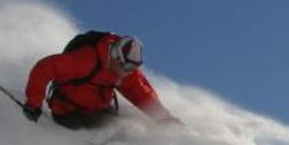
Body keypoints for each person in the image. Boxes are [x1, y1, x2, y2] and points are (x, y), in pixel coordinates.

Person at [22, 31, 179, 130]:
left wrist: (165, 119)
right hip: (67, 109)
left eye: (132, 68)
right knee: (107, 130)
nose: (127, 72)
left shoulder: (126, 72)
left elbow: (142, 95)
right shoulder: (86, 60)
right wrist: (33, 103)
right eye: (125, 66)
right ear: (115, 56)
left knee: (128, 124)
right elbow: (44, 68)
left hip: (98, 109)